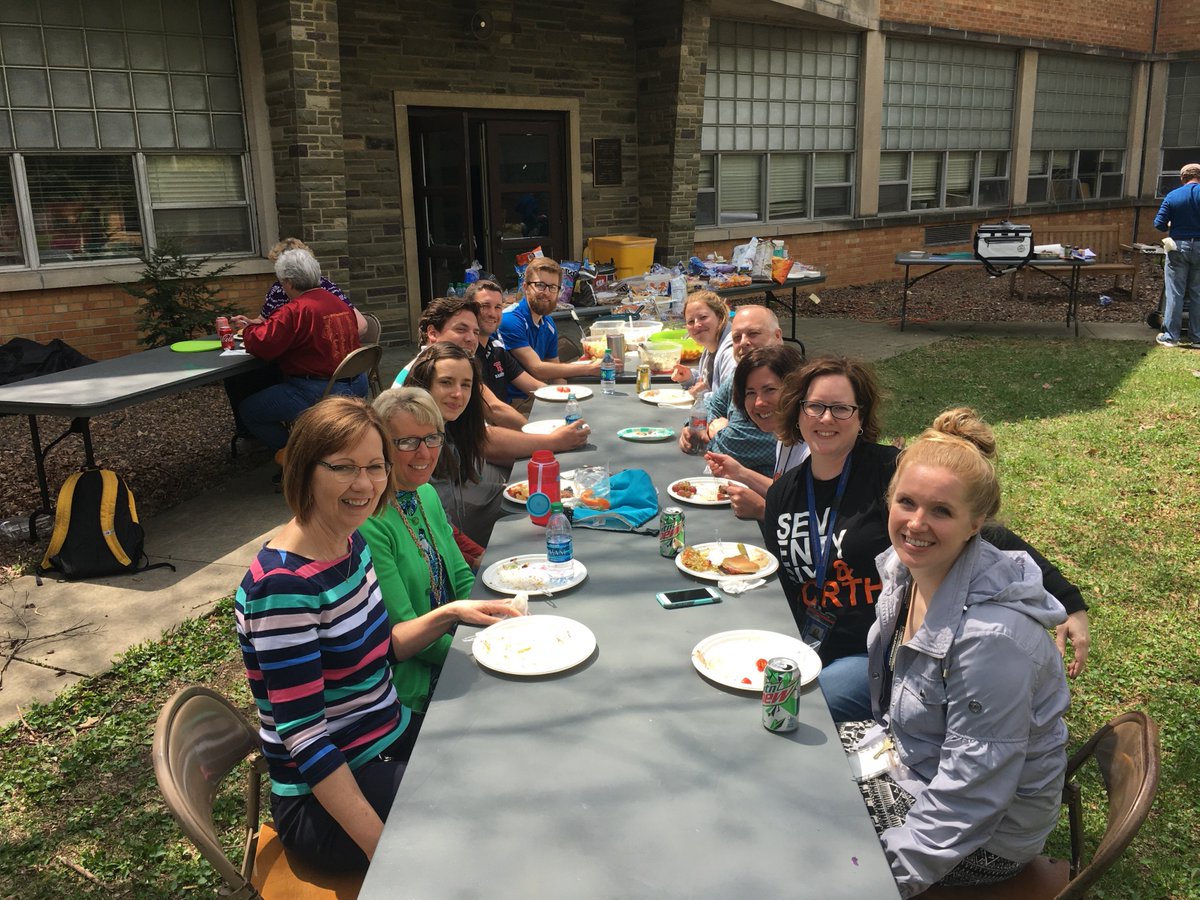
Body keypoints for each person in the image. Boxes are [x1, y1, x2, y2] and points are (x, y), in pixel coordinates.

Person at [235, 396, 517, 871]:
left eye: (374, 466)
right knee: (485, 828)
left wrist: (453, 612)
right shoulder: (283, 588)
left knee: (505, 761)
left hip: (388, 734)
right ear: (305, 470)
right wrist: (383, 848)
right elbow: (305, 738)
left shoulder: (352, 542)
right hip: (325, 800)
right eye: (343, 468)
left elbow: (385, 647)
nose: (364, 484)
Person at [759, 356, 1090, 722]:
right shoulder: (782, 495)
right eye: (815, 406)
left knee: (795, 708)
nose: (825, 419)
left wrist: (1068, 600)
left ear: (860, 417)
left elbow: (983, 531)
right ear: (798, 411)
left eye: (841, 409)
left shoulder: (891, 471)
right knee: (760, 693)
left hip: (872, 651)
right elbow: (783, 584)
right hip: (808, 643)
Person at [850, 407, 1070, 897]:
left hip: (985, 838)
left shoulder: (991, 641)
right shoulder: (905, 574)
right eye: (906, 502)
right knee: (802, 760)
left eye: (942, 511)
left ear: (976, 524)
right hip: (914, 760)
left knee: (815, 819)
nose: (916, 524)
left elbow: (971, 799)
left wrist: (875, 882)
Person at [362, 387, 511, 716]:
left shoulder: (425, 493)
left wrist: (499, 628)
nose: (425, 453)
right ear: (381, 447)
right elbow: (406, 631)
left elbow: (459, 576)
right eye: (407, 442)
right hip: (418, 682)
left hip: (458, 642)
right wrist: (480, 656)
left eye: (432, 438)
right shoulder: (370, 521)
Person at [234, 250, 367, 452]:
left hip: (319, 391)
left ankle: (295, 456)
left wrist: (248, 328)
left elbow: (263, 344)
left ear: (287, 282)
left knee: (249, 410)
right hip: (357, 385)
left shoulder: (295, 310)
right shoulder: (337, 301)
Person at [678, 305, 789, 472]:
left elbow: (737, 447)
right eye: (737, 337)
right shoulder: (741, 373)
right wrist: (694, 427)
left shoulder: (789, 378)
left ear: (777, 336)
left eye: (753, 334)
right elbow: (712, 405)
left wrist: (715, 433)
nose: (743, 342)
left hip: (769, 491)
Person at [705, 343, 807, 519]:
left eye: (770, 390)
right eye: (750, 393)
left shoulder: (813, 446)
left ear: (796, 390)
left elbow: (821, 521)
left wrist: (763, 510)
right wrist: (740, 473)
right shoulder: (784, 435)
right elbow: (789, 493)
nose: (759, 402)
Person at [497, 256, 600, 399]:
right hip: (517, 403)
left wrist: (570, 398)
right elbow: (537, 368)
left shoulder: (548, 323)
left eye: (552, 287)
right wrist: (589, 368)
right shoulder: (510, 320)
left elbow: (556, 377)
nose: (546, 292)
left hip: (539, 396)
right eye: (540, 285)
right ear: (526, 288)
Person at [466, 279, 546, 426]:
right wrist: (534, 433)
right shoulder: (464, 355)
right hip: (479, 437)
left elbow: (535, 387)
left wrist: (570, 396)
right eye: (485, 306)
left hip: (501, 427)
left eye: (498, 307)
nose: (492, 313)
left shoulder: (497, 349)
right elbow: (494, 409)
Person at [1152, 162, 1200, 347]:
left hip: (1178, 246)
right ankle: (1197, 337)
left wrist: (1171, 225)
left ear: (1182, 178)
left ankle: (1171, 336)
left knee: (1175, 293)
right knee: (1197, 293)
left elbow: (1159, 224)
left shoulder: (1173, 196)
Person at [670, 291, 734, 396]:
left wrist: (702, 395)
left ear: (720, 316)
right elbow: (707, 382)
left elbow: (728, 401)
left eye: (703, 317)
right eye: (691, 321)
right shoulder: (710, 347)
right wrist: (689, 378)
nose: (697, 325)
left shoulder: (731, 355)